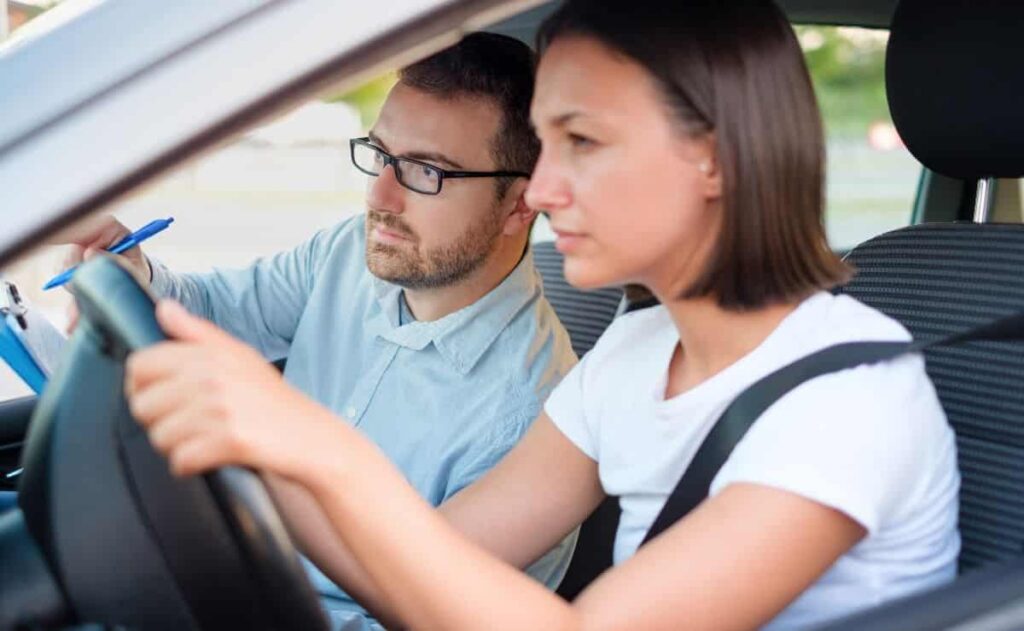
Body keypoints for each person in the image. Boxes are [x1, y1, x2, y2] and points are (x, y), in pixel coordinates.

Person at [122, 1, 961, 629]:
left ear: (712, 157)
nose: (544, 192)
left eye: (582, 143)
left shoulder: (847, 402)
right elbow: (427, 564)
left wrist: (311, 446)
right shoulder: (634, 354)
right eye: (544, 145)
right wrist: (245, 457)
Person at [65, 33, 578, 631]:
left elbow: (413, 611)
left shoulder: (528, 414)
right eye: (380, 154)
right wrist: (136, 271)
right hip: (211, 564)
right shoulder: (348, 253)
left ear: (521, 204)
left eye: (425, 171)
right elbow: (213, 308)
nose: (380, 197)